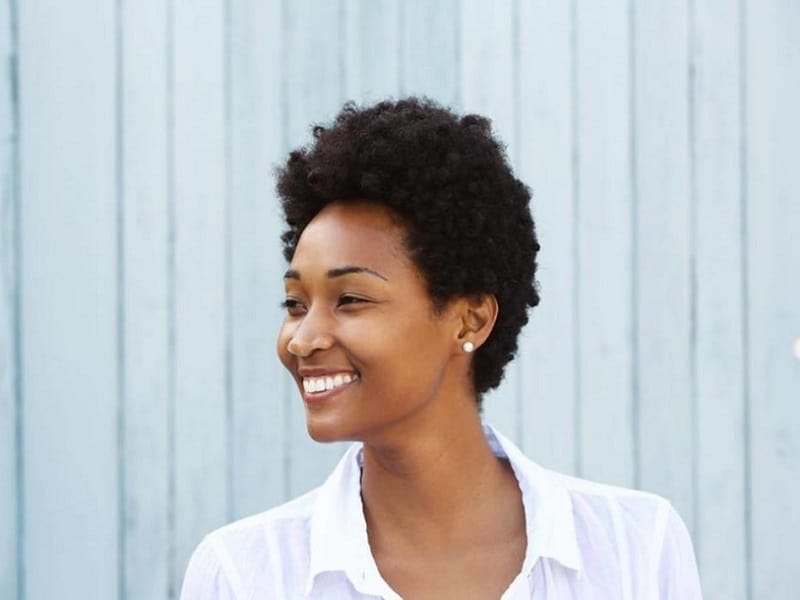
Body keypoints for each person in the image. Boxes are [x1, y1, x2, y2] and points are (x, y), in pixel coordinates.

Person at [180, 98, 702, 599]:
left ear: (468, 319)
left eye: (351, 299)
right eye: (295, 303)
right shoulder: (243, 574)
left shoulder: (635, 548)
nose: (303, 338)